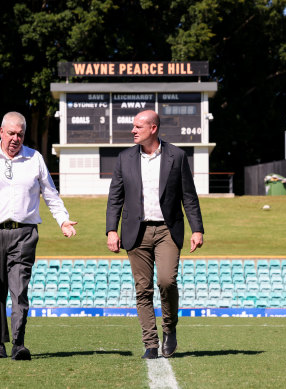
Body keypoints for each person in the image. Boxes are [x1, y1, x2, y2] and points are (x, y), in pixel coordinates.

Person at [0, 111, 77, 361]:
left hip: (24, 233)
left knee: (19, 289)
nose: (15, 139)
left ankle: (18, 343)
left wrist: (63, 220)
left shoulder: (35, 158)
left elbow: (50, 194)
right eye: (11, 133)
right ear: (1, 132)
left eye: (20, 134)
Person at [106, 110, 204, 359]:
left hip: (167, 230)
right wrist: (111, 230)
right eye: (133, 126)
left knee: (166, 282)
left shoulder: (177, 156)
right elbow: (115, 198)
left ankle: (169, 329)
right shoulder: (124, 158)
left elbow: (189, 196)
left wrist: (197, 229)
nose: (133, 130)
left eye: (138, 126)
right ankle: (150, 342)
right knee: (143, 288)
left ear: (153, 128)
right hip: (135, 231)